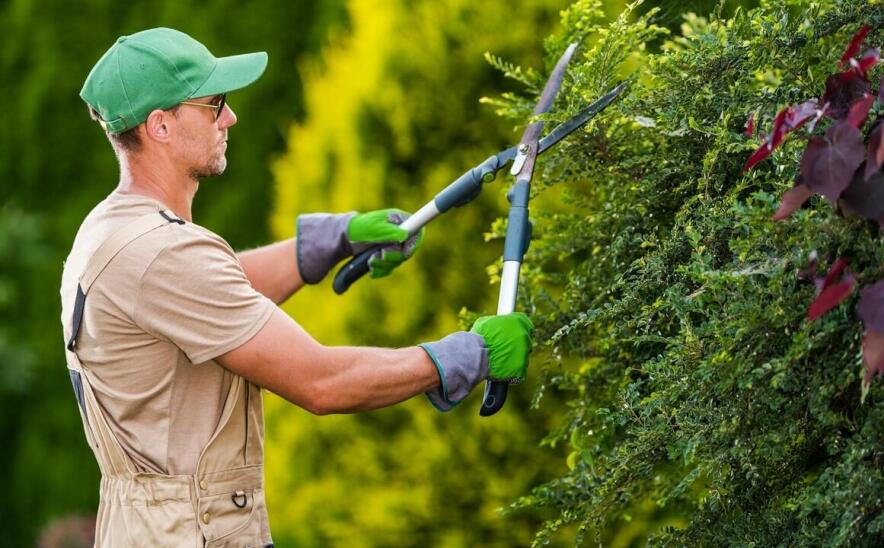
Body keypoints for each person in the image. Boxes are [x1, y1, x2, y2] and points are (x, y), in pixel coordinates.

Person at [60, 27, 534, 547]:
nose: (229, 117)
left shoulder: (113, 231)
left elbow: (214, 294)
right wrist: (467, 355)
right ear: (161, 126)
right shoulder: (164, 253)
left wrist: (333, 239)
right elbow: (322, 382)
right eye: (214, 104)